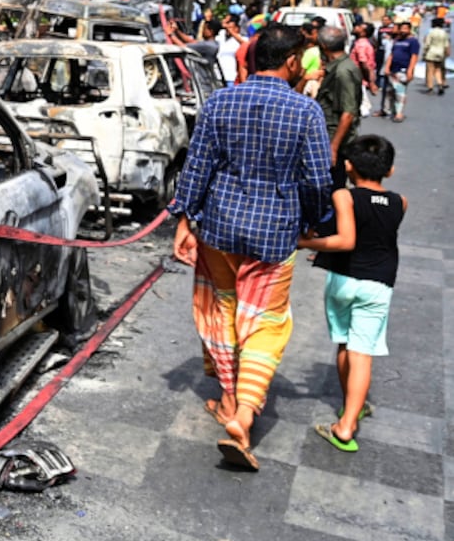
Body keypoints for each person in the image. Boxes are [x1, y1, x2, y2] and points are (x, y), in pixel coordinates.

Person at [170, 23, 333, 471]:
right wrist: (316, 221)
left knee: (223, 310)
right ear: (292, 61)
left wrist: (183, 218)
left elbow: (196, 166)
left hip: (218, 228)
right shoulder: (306, 112)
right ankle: (242, 413)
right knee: (265, 323)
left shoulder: (220, 101)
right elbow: (319, 180)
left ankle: (227, 397)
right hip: (274, 234)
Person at [296, 135, 405, 453]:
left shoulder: (344, 196)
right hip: (378, 284)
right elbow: (375, 232)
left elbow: (345, 241)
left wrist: (305, 243)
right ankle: (349, 420)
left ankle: (348, 413)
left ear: (348, 166)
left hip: (344, 281)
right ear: (391, 170)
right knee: (362, 352)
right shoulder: (401, 202)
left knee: (345, 344)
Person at [314, 27, 361, 184]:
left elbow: (348, 113)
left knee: (333, 184)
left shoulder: (342, 72)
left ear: (324, 46)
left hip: (335, 137)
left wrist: (333, 148)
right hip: (332, 134)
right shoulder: (340, 66)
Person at [381, 20, 419, 122]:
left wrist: (410, 70)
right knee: (390, 92)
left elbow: (414, 57)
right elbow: (391, 55)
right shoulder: (397, 41)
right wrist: (387, 67)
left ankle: (399, 113)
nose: (403, 31)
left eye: (405, 29)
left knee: (400, 92)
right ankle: (390, 111)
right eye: (401, 28)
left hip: (403, 70)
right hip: (393, 70)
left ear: (409, 30)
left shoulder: (413, 41)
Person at [419, 16, 448, 94]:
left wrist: (424, 53)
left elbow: (427, 44)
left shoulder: (431, 32)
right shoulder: (444, 32)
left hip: (431, 53)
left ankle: (430, 87)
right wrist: (446, 53)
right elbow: (446, 45)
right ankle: (440, 84)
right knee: (438, 70)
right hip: (440, 53)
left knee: (430, 71)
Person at [217, 14, 243, 84]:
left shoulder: (241, 39)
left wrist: (231, 32)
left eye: (231, 28)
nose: (228, 30)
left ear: (237, 28)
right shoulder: (221, 35)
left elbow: (244, 43)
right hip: (218, 75)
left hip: (231, 76)